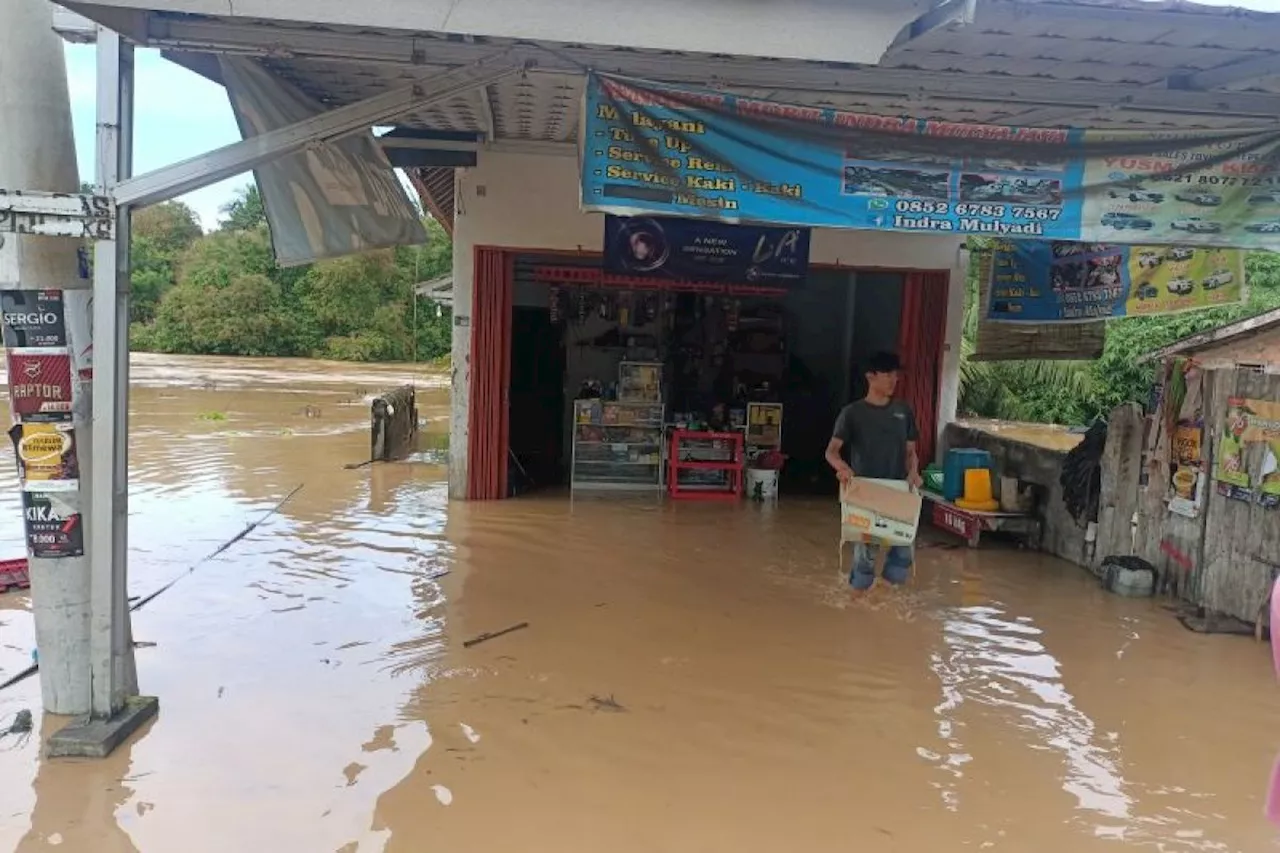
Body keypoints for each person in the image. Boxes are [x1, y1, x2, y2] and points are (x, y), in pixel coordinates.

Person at [825, 351, 922, 591]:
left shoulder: (903, 412)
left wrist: (914, 472)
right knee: (866, 555)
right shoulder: (853, 413)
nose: (893, 380)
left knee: (903, 551)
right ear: (871, 376)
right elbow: (831, 452)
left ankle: (886, 596)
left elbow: (911, 452)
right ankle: (858, 600)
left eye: (896, 375)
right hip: (866, 492)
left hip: (900, 490)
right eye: (887, 374)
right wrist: (843, 468)